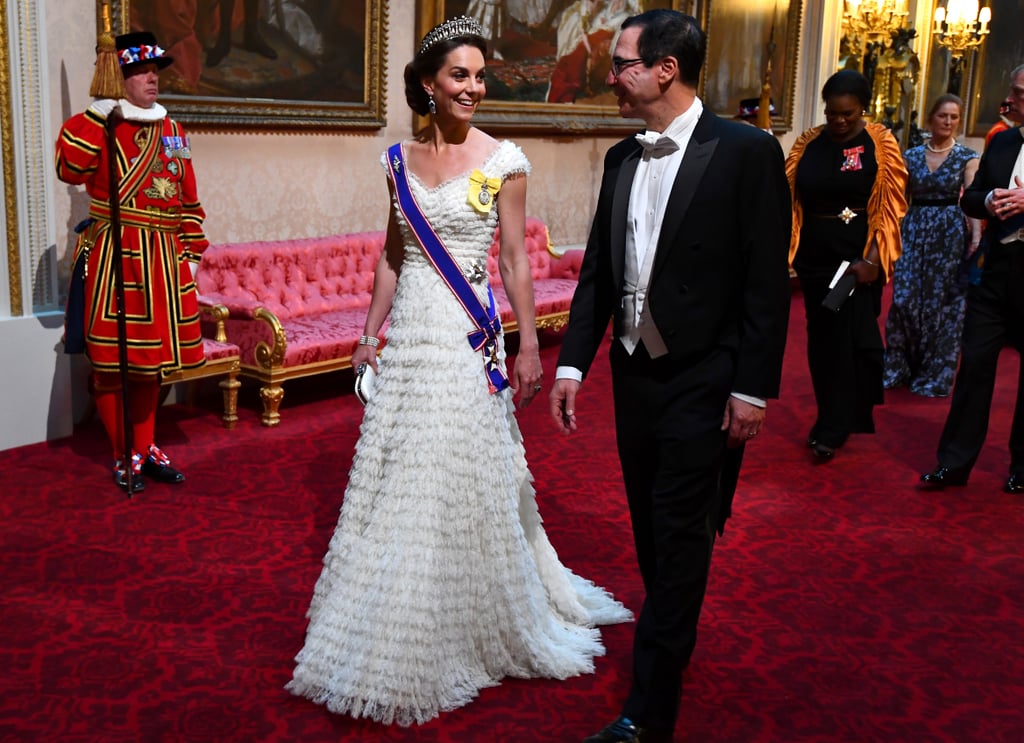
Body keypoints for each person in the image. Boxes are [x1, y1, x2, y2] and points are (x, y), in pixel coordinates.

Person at [286, 16, 631, 727]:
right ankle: (395, 617)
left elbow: (512, 261)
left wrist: (532, 345)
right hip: (410, 333)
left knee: (454, 469)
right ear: (427, 84)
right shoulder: (396, 162)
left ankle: (465, 618)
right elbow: (391, 255)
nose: (474, 87)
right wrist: (367, 332)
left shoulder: (504, 160)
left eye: (480, 75)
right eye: (460, 75)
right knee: (401, 472)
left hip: (467, 337)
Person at [549, 10, 792, 742]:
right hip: (634, 375)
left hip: (704, 379)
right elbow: (598, 272)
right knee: (654, 533)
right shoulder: (623, 157)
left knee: (681, 532)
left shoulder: (746, 151)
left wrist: (752, 388)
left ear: (664, 69)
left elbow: (764, 282)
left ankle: (646, 714)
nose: (611, 75)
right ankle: (672, 637)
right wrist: (572, 363)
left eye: (621, 62)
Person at [56, 31, 210, 494]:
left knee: (151, 363)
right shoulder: (99, 126)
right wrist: (95, 115)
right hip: (117, 257)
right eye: (139, 71)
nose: (151, 79)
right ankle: (124, 451)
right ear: (116, 77)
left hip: (163, 260)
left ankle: (144, 447)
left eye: (154, 71)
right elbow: (70, 169)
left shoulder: (174, 131)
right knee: (113, 364)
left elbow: (188, 200)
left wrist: (191, 255)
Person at [786, 69, 908, 460]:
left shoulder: (880, 143)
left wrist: (872, 259)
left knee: (848, 344)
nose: (839, 121)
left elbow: (890, 206)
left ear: (863, 110)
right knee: (821, 342)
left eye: (848, 115)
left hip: (858, 262)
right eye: (832, 114)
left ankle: (834, 426)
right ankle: (830, 416)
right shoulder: (809, 143)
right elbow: (788, 198)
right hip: (815, 260)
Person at [920, 63, 1024, 495]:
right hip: (995, 273)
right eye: (1015, 90)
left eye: (1019, 92)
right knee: (974, 369)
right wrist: (992, 200)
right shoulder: (1002, 142)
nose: (1012, 99)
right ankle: (954, 463)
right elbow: (973, 196)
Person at [883, 94, 980, 397]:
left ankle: (934, 372)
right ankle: (899, 366)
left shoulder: (968, 156)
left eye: (954, 117)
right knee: (905, 299)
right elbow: (898, 200)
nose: (948, 122)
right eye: (943, 116)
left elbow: (973, 199)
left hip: (949, 232)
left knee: (943, 304)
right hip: (913, 229)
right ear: (930, 119)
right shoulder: (910, 155)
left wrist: (976, 236)